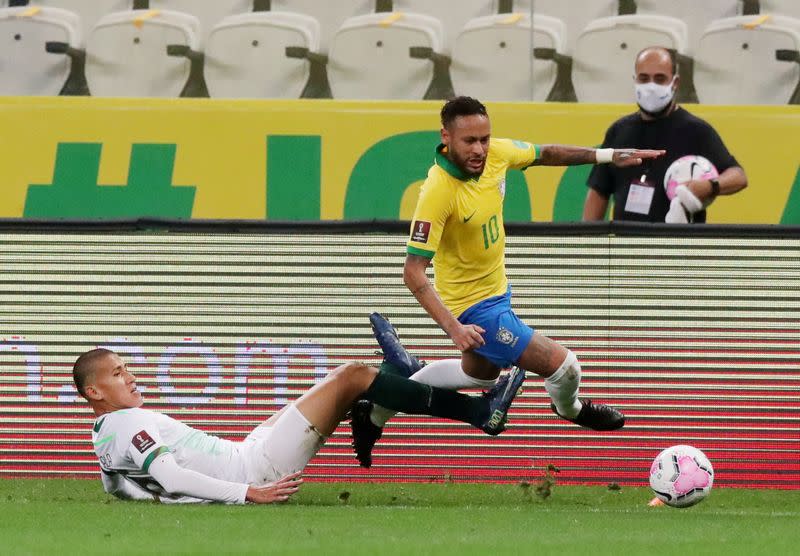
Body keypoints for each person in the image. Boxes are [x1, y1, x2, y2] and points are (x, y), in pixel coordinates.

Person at [350, 96, 664, 467]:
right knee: (565, 366)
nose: (480, 149)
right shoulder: (437, 191)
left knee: (479, 374)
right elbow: (412, 271)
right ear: (446, 137)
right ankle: (571, 409)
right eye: (470, 141)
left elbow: (546, 153)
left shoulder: (496, 153)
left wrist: (607, 156)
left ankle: (375, 413)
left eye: (485, 138)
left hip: (497, 293)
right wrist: (455, 329)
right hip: (474, 308)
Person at [76, 341, 525, 504]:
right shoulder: (128, 423)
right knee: (352, 377)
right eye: (117, 373)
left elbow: (115, 485)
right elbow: (169, 477)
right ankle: (478, 412)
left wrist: (157, 503)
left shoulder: (105, 432)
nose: (129, 375)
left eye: (125, 367)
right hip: (256, 469)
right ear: (94, 392)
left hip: (248, 450)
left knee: (342, 385)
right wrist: (249, 492)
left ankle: (391, 388)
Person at [583, 46, 748, 223]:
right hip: (627, 243)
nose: (651, 86)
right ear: (635, 80)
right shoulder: (619, 130)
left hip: (677, 245)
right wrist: (588, 241)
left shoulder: (696, 130)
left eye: (660, 79)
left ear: (675, 83)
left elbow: (738, 176)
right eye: (644, 78)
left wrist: (710, 186)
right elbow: (599, 190)